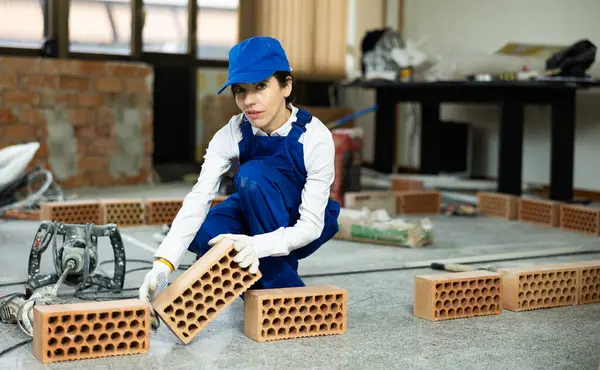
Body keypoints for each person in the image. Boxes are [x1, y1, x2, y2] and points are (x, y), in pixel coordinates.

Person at [139, 36, 341, 303]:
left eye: (260, 86)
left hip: (302, 220)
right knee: (203, 233)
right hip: (256, 207)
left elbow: (311, 226)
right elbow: (199, 198)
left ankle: (280, 287)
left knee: (252, 175)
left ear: (286, 86)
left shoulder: (315, 137)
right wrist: (163, 265)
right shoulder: (231, 133)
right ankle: (253, 273)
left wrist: (257, 245)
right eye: (240, 91)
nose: (249, 101)